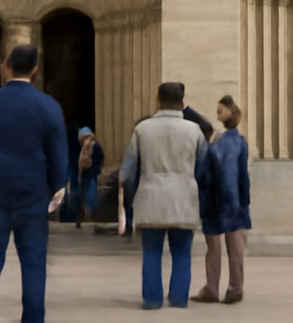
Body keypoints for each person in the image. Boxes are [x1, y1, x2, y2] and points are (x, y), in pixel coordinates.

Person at [0, 44, 69, 323]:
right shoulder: (49, 105)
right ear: (35, 69)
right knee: (33, 264)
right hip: (32, 193)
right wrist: (59, 185)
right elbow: (58, 152)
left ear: (6, 65)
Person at [119, 83, 210, 311]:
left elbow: (128, 171)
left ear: (157, 101)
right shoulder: (194, 130)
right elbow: (205, 168)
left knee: (151, 251)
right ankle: (179, 298)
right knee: (182, 252)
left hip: (151, 195)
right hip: (183, 196)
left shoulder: (142, 129)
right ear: (182, 103)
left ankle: (152, 299)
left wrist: (130, 198)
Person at [194, 96, 251, 305]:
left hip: (218, 200)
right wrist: (243, 201)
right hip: (235, 200)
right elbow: (243, 176)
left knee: (214, 246)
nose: (217, 115)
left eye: (220, 111)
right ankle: (235, 286)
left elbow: (215, 171)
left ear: (228, 113)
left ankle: (212, 287)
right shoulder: (239, 141)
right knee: (236, 246)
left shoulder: (221, 144)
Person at [70, 126, 104, 228]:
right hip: (82, 173)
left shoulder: (95, 147)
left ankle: (91, 214)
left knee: (90, 194)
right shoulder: (79, 147)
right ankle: (80, 216)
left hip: (91, 173)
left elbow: (99, 159)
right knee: (80, 194)